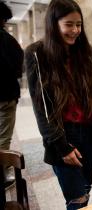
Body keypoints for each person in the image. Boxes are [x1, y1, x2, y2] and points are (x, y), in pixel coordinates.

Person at [24, 0, 92, 209]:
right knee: (76, 199)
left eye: (79, 24)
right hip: (62, 136)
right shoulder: (37, 54)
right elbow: (42, 109)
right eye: (69, 24)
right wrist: (62, 146)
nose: (75, 30)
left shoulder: (90, 54)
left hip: (90, 136)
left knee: (85, 190)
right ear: (54, 24)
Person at [0, 1, 24, 188]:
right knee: (3, 137)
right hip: (5, 96)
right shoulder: (7, 41)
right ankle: (2, 176)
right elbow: (18, 68)